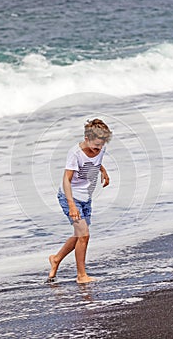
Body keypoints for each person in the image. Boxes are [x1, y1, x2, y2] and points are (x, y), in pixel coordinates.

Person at [48, 119, 112, 284]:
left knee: (79, 236)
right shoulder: (75, 153)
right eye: (95, 146)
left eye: (101, 145)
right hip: (70, 197)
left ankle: (56, 259)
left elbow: (95, 162)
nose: (98, 149)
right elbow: (66, 180)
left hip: (86, 198)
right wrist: (71, 205)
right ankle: (81, 276)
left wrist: (103, 171)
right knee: (84, 235)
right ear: (86, 138)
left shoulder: (100, 148)